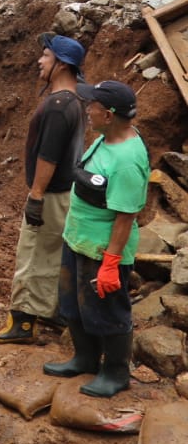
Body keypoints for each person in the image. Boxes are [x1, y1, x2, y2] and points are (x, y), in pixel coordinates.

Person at [43, 80, 149, 397]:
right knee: (73, 304)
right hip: (78, 239)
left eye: (93, 107)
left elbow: (125, 216)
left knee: (108, 310)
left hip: (103, 250)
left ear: (109, 115)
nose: (87, 110)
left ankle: (116, 372)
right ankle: (85, 358)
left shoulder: (128, 160)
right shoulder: (106, 138)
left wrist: (111, 263)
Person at [0, 32, 87, 344]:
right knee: (52, 254)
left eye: (46, 56)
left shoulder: (56, 106)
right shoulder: (75, 101)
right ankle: (51, 311)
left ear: (62, 65)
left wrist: (36, 195)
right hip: (66, 193)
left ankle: (21, 324)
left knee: (32, 254)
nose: (40, 61)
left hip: (51, 193)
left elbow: (48, 155)